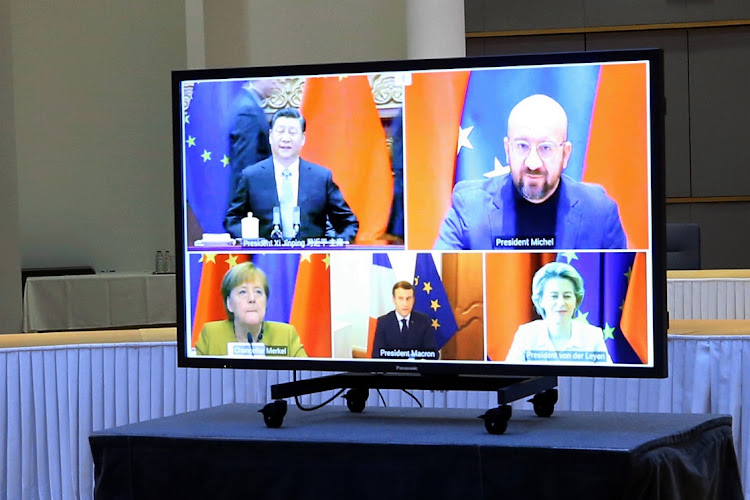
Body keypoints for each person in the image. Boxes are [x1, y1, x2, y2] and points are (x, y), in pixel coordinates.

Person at [435, 94, 627, 250]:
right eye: (522, 146)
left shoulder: (600, 212)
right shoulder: (470, 207)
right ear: (507, 150)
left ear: (566, 154)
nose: (533, 163)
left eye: (546, 148)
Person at [224, 107, 359, 241]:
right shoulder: (251, 176)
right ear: (270, 136)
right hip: (264, 259)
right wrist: (252, 239)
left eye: (292, 132)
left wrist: (335, 247)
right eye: (280, 132)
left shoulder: (321, 178)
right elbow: (233, 220)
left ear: (303, 139)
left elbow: (348, 223)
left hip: (310, 260)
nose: (286, 138)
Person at [505, 262, 612, 364]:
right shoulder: (526, 334)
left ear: (576, 300)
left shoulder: (592, 335)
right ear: (541, 301)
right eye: (554, 296)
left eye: (567, 296)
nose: (561, 303)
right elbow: (511, 377)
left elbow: (608, 379)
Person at [195, 262, 307, 357]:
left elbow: (306, 375)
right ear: (229, 303)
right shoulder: (211, 334)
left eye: (258, 291)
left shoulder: (286, 335)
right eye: (243, 292)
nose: (252, 299)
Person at [227, 79, 277, 195]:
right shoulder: (248, 109)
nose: (275, 82)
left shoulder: (248, 102)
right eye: (271, 78)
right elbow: (245, 161)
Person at [372, 281, 437, 359]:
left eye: (408, 298)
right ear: (394, 300)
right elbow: (377, 355)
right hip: (392, 370)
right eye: (401, 298)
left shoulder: (424, 321)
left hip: (416, 369)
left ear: (413, 300)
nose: (405, 304)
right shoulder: (383, 322)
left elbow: (433, 354)